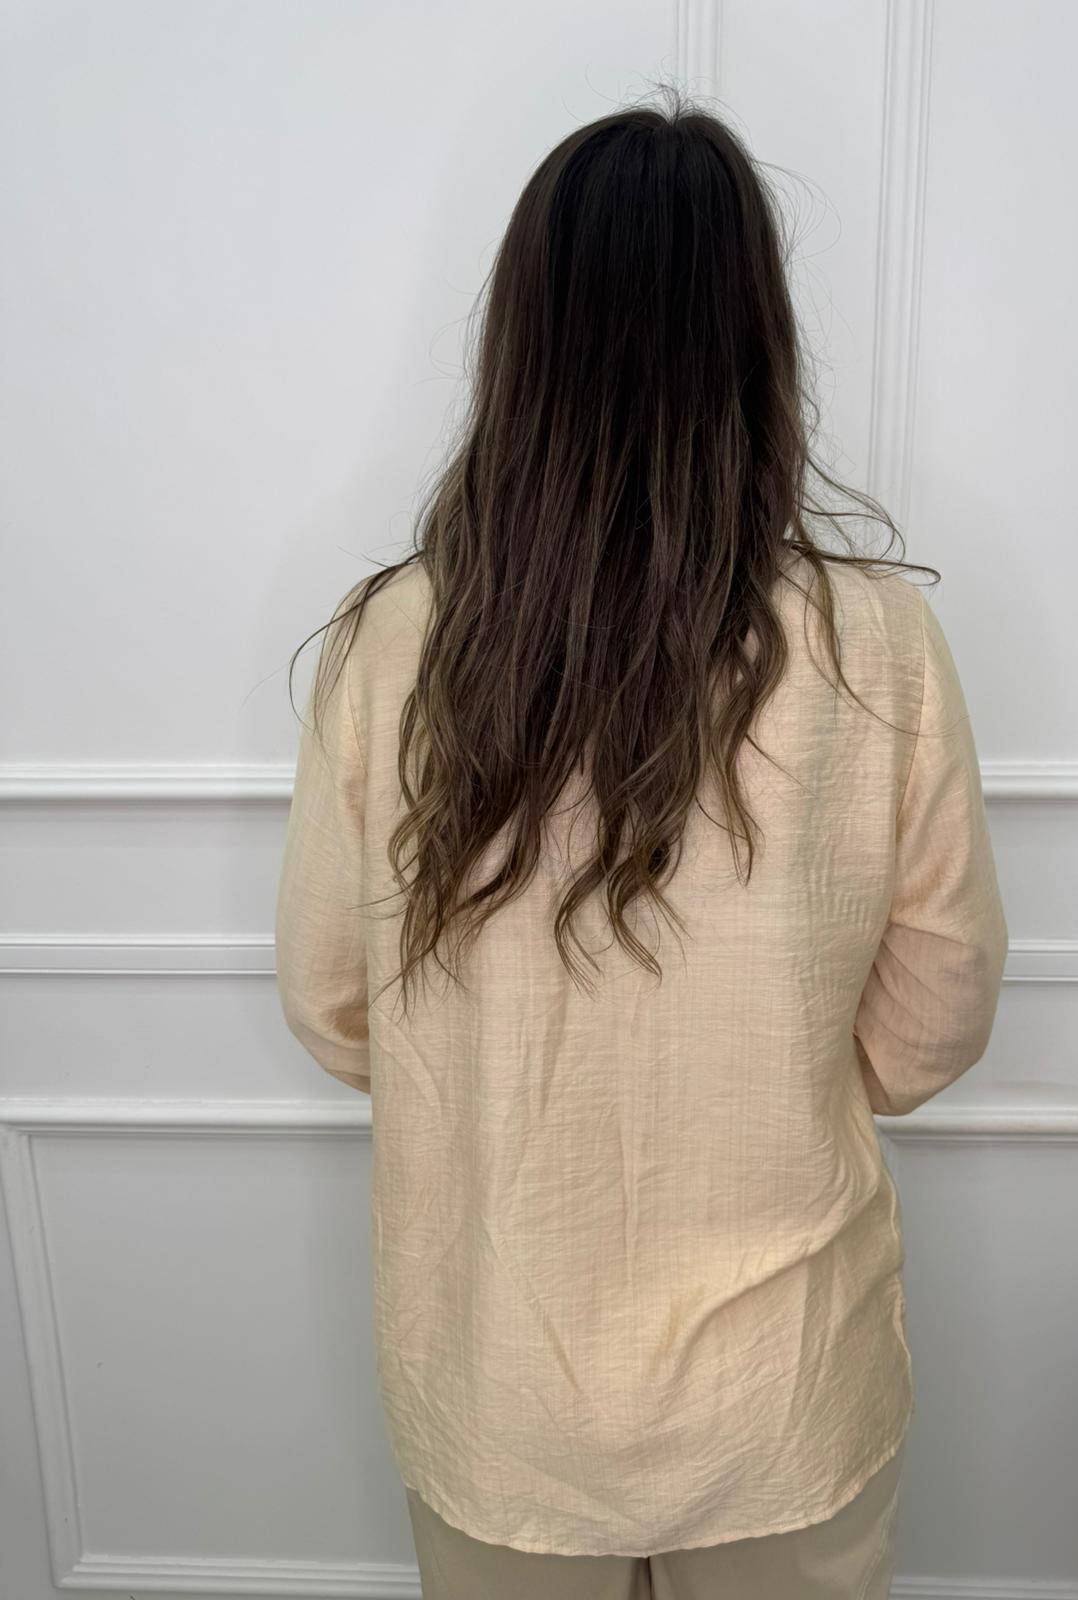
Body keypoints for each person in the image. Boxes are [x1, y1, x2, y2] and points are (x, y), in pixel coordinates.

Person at [274, 86, 1008, 1599]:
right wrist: (771, 1078)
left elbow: (333, 1007)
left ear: (522, 344)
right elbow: (933, 1024)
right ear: (758, 346)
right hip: (781, 1384)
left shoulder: (394, 642)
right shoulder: (876, 643)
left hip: (502, 1391)